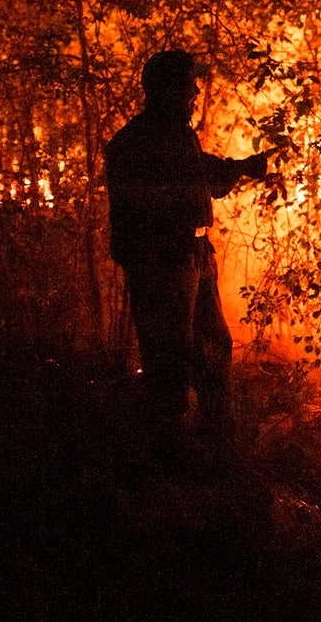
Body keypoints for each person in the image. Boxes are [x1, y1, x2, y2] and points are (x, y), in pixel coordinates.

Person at [104, 48, 270, 464]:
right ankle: (171, 459)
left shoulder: (177, 134)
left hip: (193, 254)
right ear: (166, 89)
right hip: (165, 260)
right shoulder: (134, 143)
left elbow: (203, 174)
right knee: (169, 358)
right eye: (188, 85)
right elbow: (143, 208)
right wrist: (154, 258)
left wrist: (242, 167)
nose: (196, 92)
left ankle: (215, 447)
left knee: (212, 348)